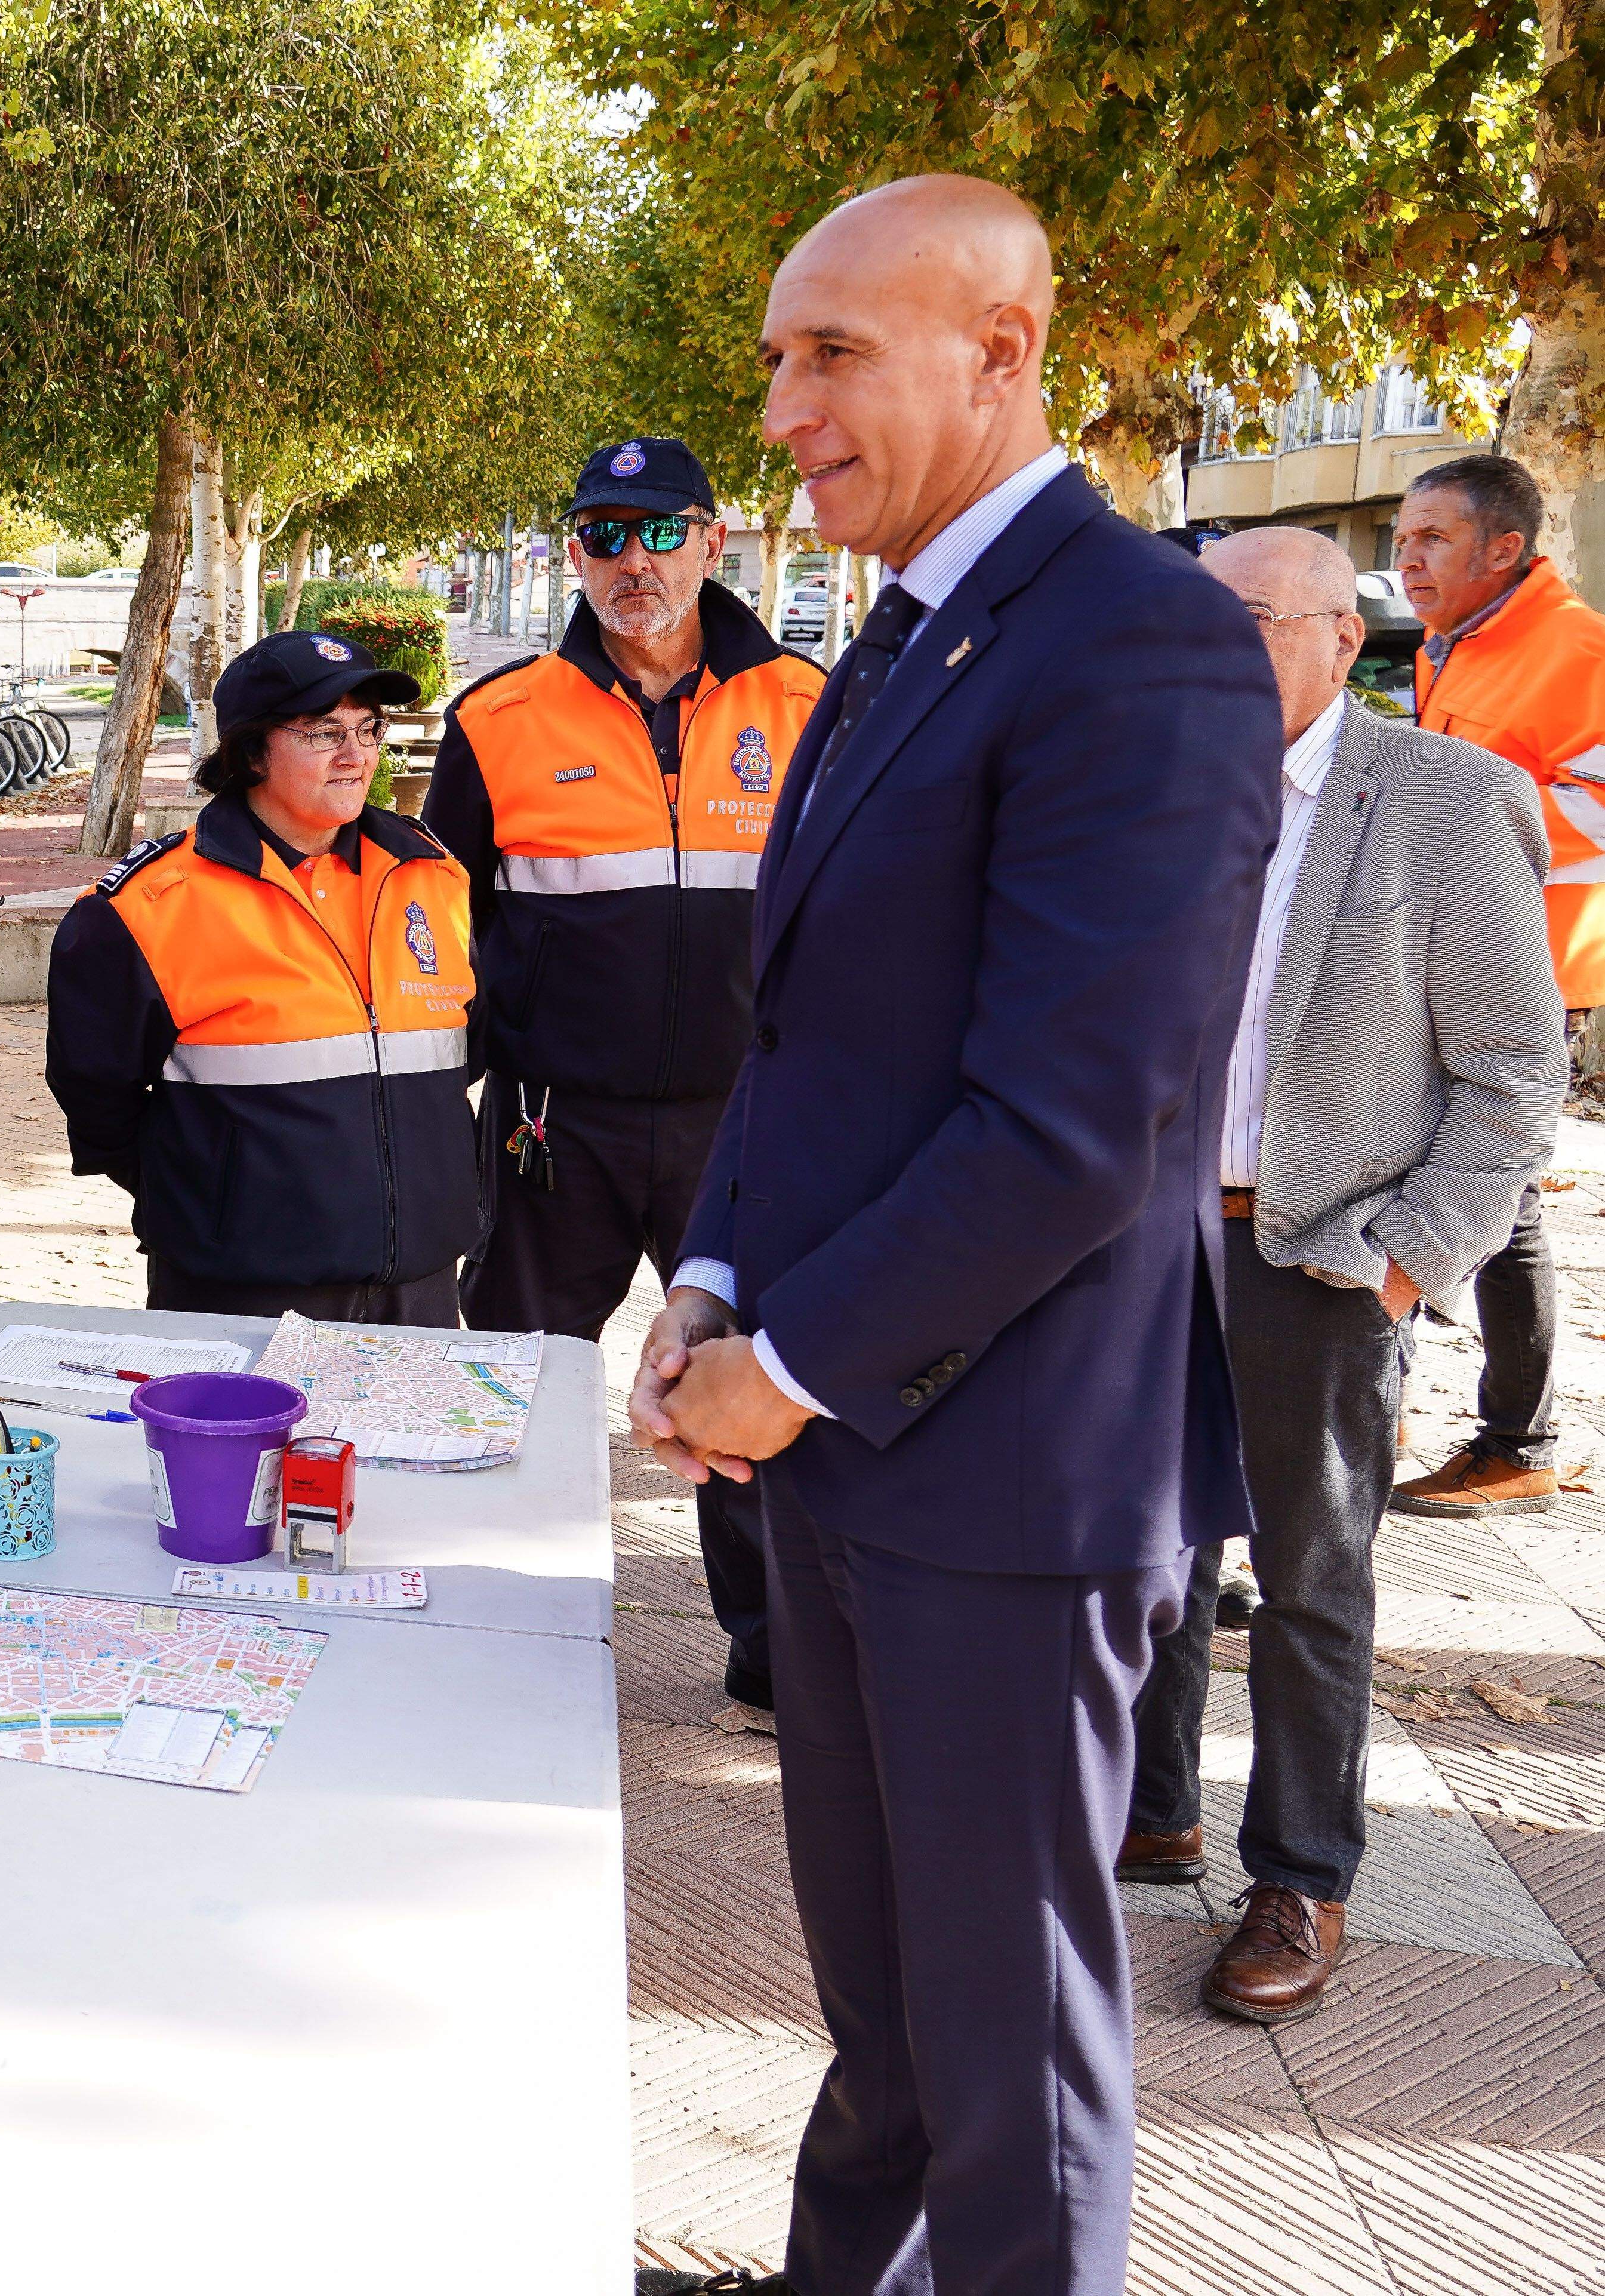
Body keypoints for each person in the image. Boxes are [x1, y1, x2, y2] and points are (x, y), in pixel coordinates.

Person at [628, 176, 1281, 2296]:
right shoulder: (907, 631)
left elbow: (1082, 1121)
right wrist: (714, 1279)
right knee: (889, 2030)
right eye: (771, 358)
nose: (781, 404)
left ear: (1000, 353)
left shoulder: (1142, 642)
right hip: (845, 1455)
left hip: (999, 1483)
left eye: (829, 352)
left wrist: (790, 1358)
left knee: (1009, 2081)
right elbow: (813, 1036)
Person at [1120, 526, 1562, 2024]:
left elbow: (1512, 1073)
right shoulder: (1161, 788)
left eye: (1233, 620)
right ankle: (1153, 1804)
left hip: (1321, 1254)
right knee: (1153, 1545)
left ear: (1332, 636)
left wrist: (1404, 1263)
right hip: (1154, 1240)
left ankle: (1300, 1873)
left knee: (1308, 1578)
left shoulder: (1444, 799)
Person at [425, 434, 824, 1732]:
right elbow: (440, 920)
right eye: (602, 534)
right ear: (571, 554)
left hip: (753, 1124)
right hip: (557, 1122)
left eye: (661, 532)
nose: (631, 562)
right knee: (522, 1380)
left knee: (738, 1381)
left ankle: (770, 1659)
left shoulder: (812, 709)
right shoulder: (498, 719)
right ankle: (502, 1629)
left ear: (715, 542)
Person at [45, 629, 479, 1321]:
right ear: (251, 752)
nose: (355, 756)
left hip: (421, 1280)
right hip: (241, 1289)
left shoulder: (431, 874)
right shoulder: (147, 906)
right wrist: (218, 1201)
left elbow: (463, 1045)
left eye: (368, 730)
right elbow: (97, 1099)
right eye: (322, 733)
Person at [1388, 453, 1605, 1520]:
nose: (1405, 558)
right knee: (1442, 1177)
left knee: (1502, 1196)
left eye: (1431, 538)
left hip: (1529, 965)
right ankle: (1427, 1412)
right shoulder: (1457, 644)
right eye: (1402, 537)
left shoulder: (1578, 649)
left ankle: (1522, 1442)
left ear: (1505, 549)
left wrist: (1451, 842)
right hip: (1453, 953)